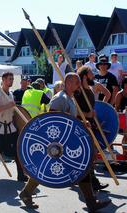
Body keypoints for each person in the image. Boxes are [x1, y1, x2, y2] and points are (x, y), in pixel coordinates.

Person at [19, 73, 111, 212]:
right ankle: (26, 193)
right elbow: (52, 120)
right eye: (76, 83)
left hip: (66, 142)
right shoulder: (60, 98)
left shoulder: (69, 98)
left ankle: (91, 202)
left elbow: (69, 120)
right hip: (57, 143)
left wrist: (81, 123)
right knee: (49, 169)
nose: (78, 85)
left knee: (80, 169)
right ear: (68, 83)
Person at [75, 67, 109, 192]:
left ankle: (90, 181)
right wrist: (87, 114)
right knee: (89, 153)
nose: (93, 76)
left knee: (91, 154)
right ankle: (91, 182)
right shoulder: (78, 91)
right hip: (82, 124)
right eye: (91, 74)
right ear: (85, 76)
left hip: (90, 123)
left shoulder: (89, 89)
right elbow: (74, 108)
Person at [115, 78, 127, 156]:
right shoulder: (119, 94)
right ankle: (124, 153)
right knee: (126, 135)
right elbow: (116, 108)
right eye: (126, 87)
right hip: (123, 118)